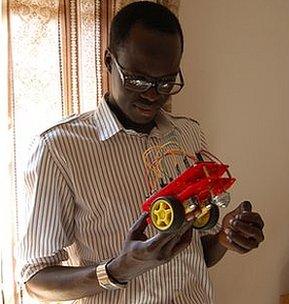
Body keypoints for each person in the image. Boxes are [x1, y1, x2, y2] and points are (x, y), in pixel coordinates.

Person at [19, 2, 264, 303]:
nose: (152, 94)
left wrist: (226, 236)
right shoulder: (59, 149)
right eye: (137, 79)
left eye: (166, 82)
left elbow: (196, 254)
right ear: (109, 61)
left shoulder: (189, 134)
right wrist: (119, 269)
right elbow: (35, 279)